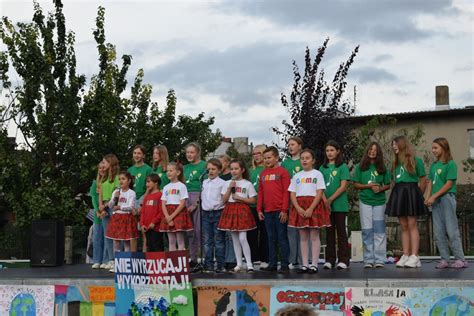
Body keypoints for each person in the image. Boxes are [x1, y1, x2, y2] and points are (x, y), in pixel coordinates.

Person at [425, 137, 467, 269]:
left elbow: (449, 184)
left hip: (447, 198)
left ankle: (460, 259)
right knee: (438, 231)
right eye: (432, 148)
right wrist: (427, 197)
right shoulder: (433, 166)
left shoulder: (450, 164)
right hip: (436, 201)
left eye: (436, 147)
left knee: (451, 229)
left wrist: (434, 196)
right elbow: (430, 183)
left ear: (444, 148)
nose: (433, 150)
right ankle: (444, 259)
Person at [386, 136, 427, 268]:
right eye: (392, 145)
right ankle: (406, 254)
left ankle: (415, 256)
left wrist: (417, 196)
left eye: (395, 144)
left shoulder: (416, 161)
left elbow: (423, 180)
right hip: (399, 192)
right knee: (403, 225)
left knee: (412, 224)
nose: (393, 147)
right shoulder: (395, 163)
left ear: (402, 145)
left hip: (411, 192)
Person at [288, 149, 330, 273]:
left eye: (307, 158)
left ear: (313, 161)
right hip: (300, 206)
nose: (304, 160)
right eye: (302, 158)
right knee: (303, 236)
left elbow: (320, 192)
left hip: (313, 206)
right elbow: (292, 193)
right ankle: (305, 264)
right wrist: (298, 208)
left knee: (314, 235)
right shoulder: (296, 176)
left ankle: (314, 264)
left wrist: (311, 208)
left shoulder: (317, 174)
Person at [352, 142, 391, 268]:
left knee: (379, 231)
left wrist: (380, 189)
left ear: (378, 152)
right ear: (367, 151)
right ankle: (368, 259)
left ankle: (380, 259)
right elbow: (356, 184)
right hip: (365, 201)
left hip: (379, 202)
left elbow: (388, 184)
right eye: (370, 149)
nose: (372, 151)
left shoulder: (383, 167)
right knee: (367, 231)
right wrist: (368, 186)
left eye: (375, 150)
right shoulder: (360, 167)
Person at [218, 159, 257, 273]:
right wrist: (230, 188)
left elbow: (253, 200)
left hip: (242, 210)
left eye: (236, 169)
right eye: (232, 169)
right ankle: (239, 264)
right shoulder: (227, 183)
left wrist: (240, 198)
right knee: (234, 239)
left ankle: (249, 263)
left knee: (242, 238)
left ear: (242, 170)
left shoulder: (247, 183)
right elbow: (223, 200)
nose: (233, 171)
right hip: (230, 209)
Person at [257, 146, 291, 273]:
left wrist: (284, 209)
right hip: (267, 211)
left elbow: (286, 192)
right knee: (270, 238)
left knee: (282, 237)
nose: (266, 160)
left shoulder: (283, 172)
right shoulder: (263, 174)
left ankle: (284, 264)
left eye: (269, 157)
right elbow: (260, 192)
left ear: (276, 158)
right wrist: (259, 209)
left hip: (279, 211)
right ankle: (272, 263)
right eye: (264, 158)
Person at [320, 140, 351, 270]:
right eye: (327, 151)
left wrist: (330, 199)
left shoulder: (342, 167)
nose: (329, 153)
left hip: (339, 205)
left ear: (337, 151)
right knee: (329, 232)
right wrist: (324, 201)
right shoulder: (322, 168)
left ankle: (343, 259)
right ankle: (330, 259)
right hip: (326, 205)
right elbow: (319, 187)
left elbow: (343, 186)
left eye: (332, 150)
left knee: (341, 232)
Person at [105, 171, 137, 272]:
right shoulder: (116, 192)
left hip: (126, 218)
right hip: (116, 218)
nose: (121, 181)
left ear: (129, 181)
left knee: (127, 241)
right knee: (116, 241)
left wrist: (120, 207)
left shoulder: (132, 193)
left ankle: (126, 263)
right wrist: (115, 198)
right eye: (119, 179)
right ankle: (117, 263)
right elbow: (110, 205)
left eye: (123, 179)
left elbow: (131, 207)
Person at [160, 162, 193, 251]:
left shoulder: (182, 186)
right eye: (167, 171)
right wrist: (167, 217)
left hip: (178, 213)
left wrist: (172, 216)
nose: (168, 173)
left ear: (178, 173)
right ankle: (173, 262)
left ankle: (181, 262)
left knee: (180, 240)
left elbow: (182, 203)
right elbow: (163, 203)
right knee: (171, 241)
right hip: (168, 213)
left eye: (171, 170)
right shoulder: (166, 187)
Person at [282, 136, 304, 269]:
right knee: (291, 231)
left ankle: (303, 260)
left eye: (293, 144)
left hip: (304, 200)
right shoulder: (285, 163)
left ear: (300, 146)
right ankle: (293, 259)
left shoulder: (304, 160)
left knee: (303, 231)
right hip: (290, 200)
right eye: (289, 145)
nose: (290, 147)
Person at [201, 158, 226, 273]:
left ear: (219, 170)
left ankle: (220, 265)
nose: (210, 171)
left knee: (219, 239)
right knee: (207, 240)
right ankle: (208, 264)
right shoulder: (204, 182)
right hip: (206, 214)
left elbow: (222, 198)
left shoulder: (222, 183)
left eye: (213, 169)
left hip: (218, 213)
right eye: (209, 169)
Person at [184, 143, 207, 266]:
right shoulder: (184, 167)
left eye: (192, 152)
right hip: (186, 197)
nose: (189, 154)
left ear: (197, 153)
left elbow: (206, 185)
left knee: (199, 230)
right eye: (187, 152)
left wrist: (196, 202)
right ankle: (192, 258)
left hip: (198, 197)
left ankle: (203, 257)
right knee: (189, 230)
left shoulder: (203, 165)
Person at [128, 145, 152, 251]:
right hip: (132, 198)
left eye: (139, 153)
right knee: (133, 230)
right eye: (134, 153)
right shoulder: (130, 169)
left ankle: (144, 255)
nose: (136, 155)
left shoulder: (148, 169)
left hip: (143, 197)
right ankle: (133, 256)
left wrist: (143, 202)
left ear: (143, 155)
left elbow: (150, 186)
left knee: (144, 229)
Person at [248, 144, 269, 268]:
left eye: (258, 153)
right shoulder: (251, 171)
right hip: (251, 206)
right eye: (254, 154)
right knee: (251, 233)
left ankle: (265, 259)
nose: (256, 156)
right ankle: (253, 258)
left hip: (265, 206)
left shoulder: (267, 170)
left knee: (265, 234)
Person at [98, 154, 119, 271]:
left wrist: (106, 206)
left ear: (110, 163)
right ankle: (111, 259)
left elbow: (116, 194)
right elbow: (100, 193)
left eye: (104, 162)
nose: (103, 164)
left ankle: (117, 259)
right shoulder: (103, 177)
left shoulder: (116, 177)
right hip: (105, 206)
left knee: (116, 234)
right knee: (107, 234)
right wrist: (101, 206)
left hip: (112, 207)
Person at [219, 154, 236, 271]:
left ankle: (231, 260)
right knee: (222, 236)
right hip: (221, 208)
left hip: (232, 208)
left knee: (231, 236)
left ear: (227, 163)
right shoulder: (218, 177)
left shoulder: (231, 177)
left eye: (221, 162)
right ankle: (223, 259)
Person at [140, 174, 164, 252]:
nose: (147, 184)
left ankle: (159, 264)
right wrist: (142, 224)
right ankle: (151, 264)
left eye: (149, 182)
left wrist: (154, 222)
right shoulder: (146, 197)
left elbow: (161, 211)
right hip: (146, 227)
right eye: (146, 182)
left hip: (156, 228)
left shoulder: (160, 195)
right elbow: (143, 212)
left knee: (157, 247)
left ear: (156, 183)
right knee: (149, 247)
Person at [91, 162, 106, 269]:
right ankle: (96, 260)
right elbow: (93, 197)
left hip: (106, 212)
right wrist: (96, 211)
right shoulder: (95, 183)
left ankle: (105, 260)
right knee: (96, 238)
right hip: (97, 214)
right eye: (100, 168)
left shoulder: (108, 182)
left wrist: (103, 210)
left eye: (103, 168)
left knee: (106, 238)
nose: (101, 170)